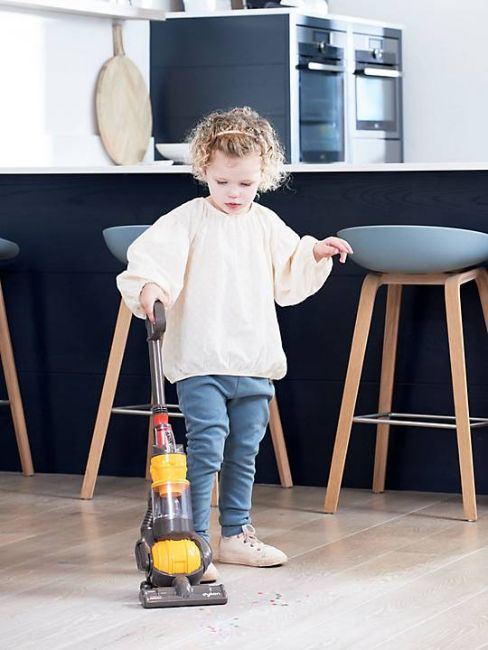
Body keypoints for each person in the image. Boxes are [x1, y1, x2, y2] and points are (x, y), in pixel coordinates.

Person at [117, 106, 352, 583]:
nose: (233, 193)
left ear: (263, 176)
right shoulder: (186, 220)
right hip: (201, 357)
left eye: (245, 183)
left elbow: (290, 270)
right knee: (207, 445)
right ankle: (192, 540)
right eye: (222, 181)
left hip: (253, 358)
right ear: (204, 170)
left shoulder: (265, 222)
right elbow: (151, 260)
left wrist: (315, 251)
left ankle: (236, 534)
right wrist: (151, 287)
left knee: (244, 449)